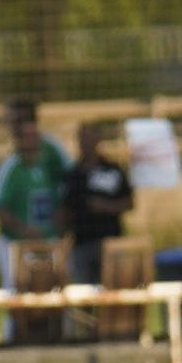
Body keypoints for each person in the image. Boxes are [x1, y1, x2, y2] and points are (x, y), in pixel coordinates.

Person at [0, 112, 70, 287]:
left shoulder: (49, 164)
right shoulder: (11, 168)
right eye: (27, 136)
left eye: (35, 135)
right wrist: (24, 229)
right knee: (17, 289)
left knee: (54, 287)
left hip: (47, 240)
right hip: (17, 242)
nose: (32, 140)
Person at [60, 122, 134, 286]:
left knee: (114, 291)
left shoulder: (112, 170)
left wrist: (105, 206)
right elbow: (65, 209)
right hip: (82, 243)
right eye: (81, 139)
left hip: (111, 242)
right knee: (84, 294)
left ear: (97, 140)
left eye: (88, 138)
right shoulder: (73, 174)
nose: (85, 143)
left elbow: (129, 202)